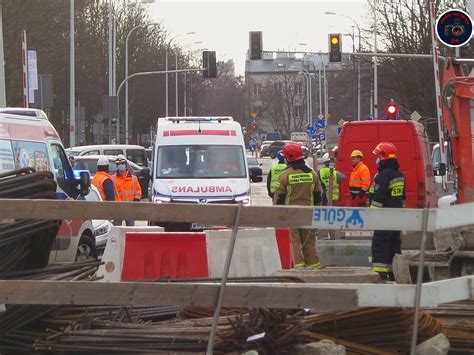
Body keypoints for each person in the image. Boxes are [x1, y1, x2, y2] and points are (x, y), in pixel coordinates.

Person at [273, 142, 322, 270]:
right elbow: (318, 197)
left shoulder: (284, 176)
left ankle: (298, 269)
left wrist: (279, 217)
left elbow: (279, 200)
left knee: (294, 242)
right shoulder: (312, 174)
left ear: (288, 158)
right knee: (309, 243)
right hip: (309, 214)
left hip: (291, 215)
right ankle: (313, 268)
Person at [369, 142, 406, 281]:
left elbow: (379, 197)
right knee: (394, 245)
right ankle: (393, 272)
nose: (377, 159)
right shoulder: (399, 174)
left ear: (383, 157)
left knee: (380, 244)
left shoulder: (383, 175)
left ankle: (380, 272)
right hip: (396, 216)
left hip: (383, 217)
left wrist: (372, 215)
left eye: (378, 156)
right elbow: (402, 198)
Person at [112, 154, 142, 226]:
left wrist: (135, 201)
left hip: (130, 209)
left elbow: (138, 192)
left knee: (131, 230)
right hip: (117, 209)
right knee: (116, 229)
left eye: (122, 163)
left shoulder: (133, 178)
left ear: (126, 164)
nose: (121, 165)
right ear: (116, 165)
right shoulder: (112, 179)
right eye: (119, 164)